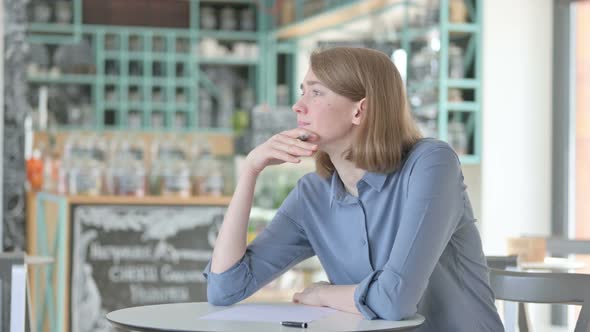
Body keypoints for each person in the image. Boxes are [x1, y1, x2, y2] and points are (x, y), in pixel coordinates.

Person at [203, 47, 504, 331]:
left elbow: (394, 300)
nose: (298, 105)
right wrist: (250, 171)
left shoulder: (431, 164)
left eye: (317, 92)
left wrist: (324, 294)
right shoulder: (313, 194)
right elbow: (224, 288)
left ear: (360, 111)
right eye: (303, 91)